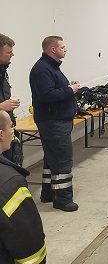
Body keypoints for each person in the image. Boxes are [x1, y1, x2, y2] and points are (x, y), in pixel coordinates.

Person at [29, 36, 80, 212]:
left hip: (57, 120)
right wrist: (69, 90)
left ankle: (49, 194)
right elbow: (47, 95)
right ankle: (63, 199)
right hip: (53, 122)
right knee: (62, 160)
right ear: (53, 49)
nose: (66, 49)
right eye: (62, 47)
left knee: (52, 159)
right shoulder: (42, 69)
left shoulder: (51, 67)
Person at [0, 110, 47, 263]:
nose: (12, 132)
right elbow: (29, 244)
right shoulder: (9, 183)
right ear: (1, 134)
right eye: (10, 127)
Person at [0, 34, 22, 165]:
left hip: (5, 135)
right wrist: (1, 106)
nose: (12, 55)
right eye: (9, 52)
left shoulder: (4, 73)